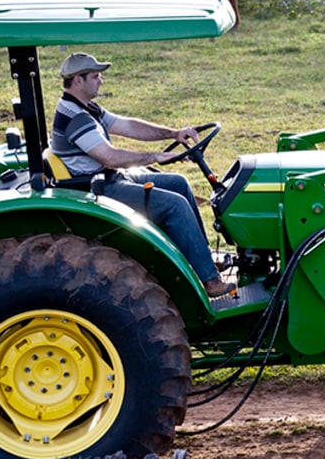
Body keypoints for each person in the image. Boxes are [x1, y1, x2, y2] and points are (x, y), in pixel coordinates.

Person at [50, 52, 232, 298]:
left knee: (179, 183)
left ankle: (204, 259)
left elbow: (127, 126)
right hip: (98, 188)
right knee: (174, 205)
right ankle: (209, 281)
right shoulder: (75, 117)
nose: (101, 81)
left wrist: (173, 133)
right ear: (78, 81)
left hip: (109, 177)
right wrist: (154, 157)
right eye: (95, 77)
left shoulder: (86, 108)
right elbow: (110, 158)